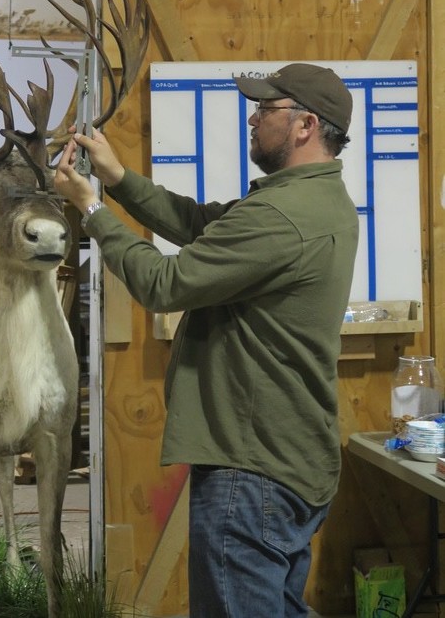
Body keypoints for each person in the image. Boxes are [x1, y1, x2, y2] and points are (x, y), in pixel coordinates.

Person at [54, 63, 359, 618]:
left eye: (266, 109)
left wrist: (91, 211)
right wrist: (118, 178)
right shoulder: (315, 200)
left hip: (252, 471)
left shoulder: (282, 216)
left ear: (305, 124)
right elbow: (202, 223)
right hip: (286, 461)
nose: (253, 117)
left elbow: (163, 284)